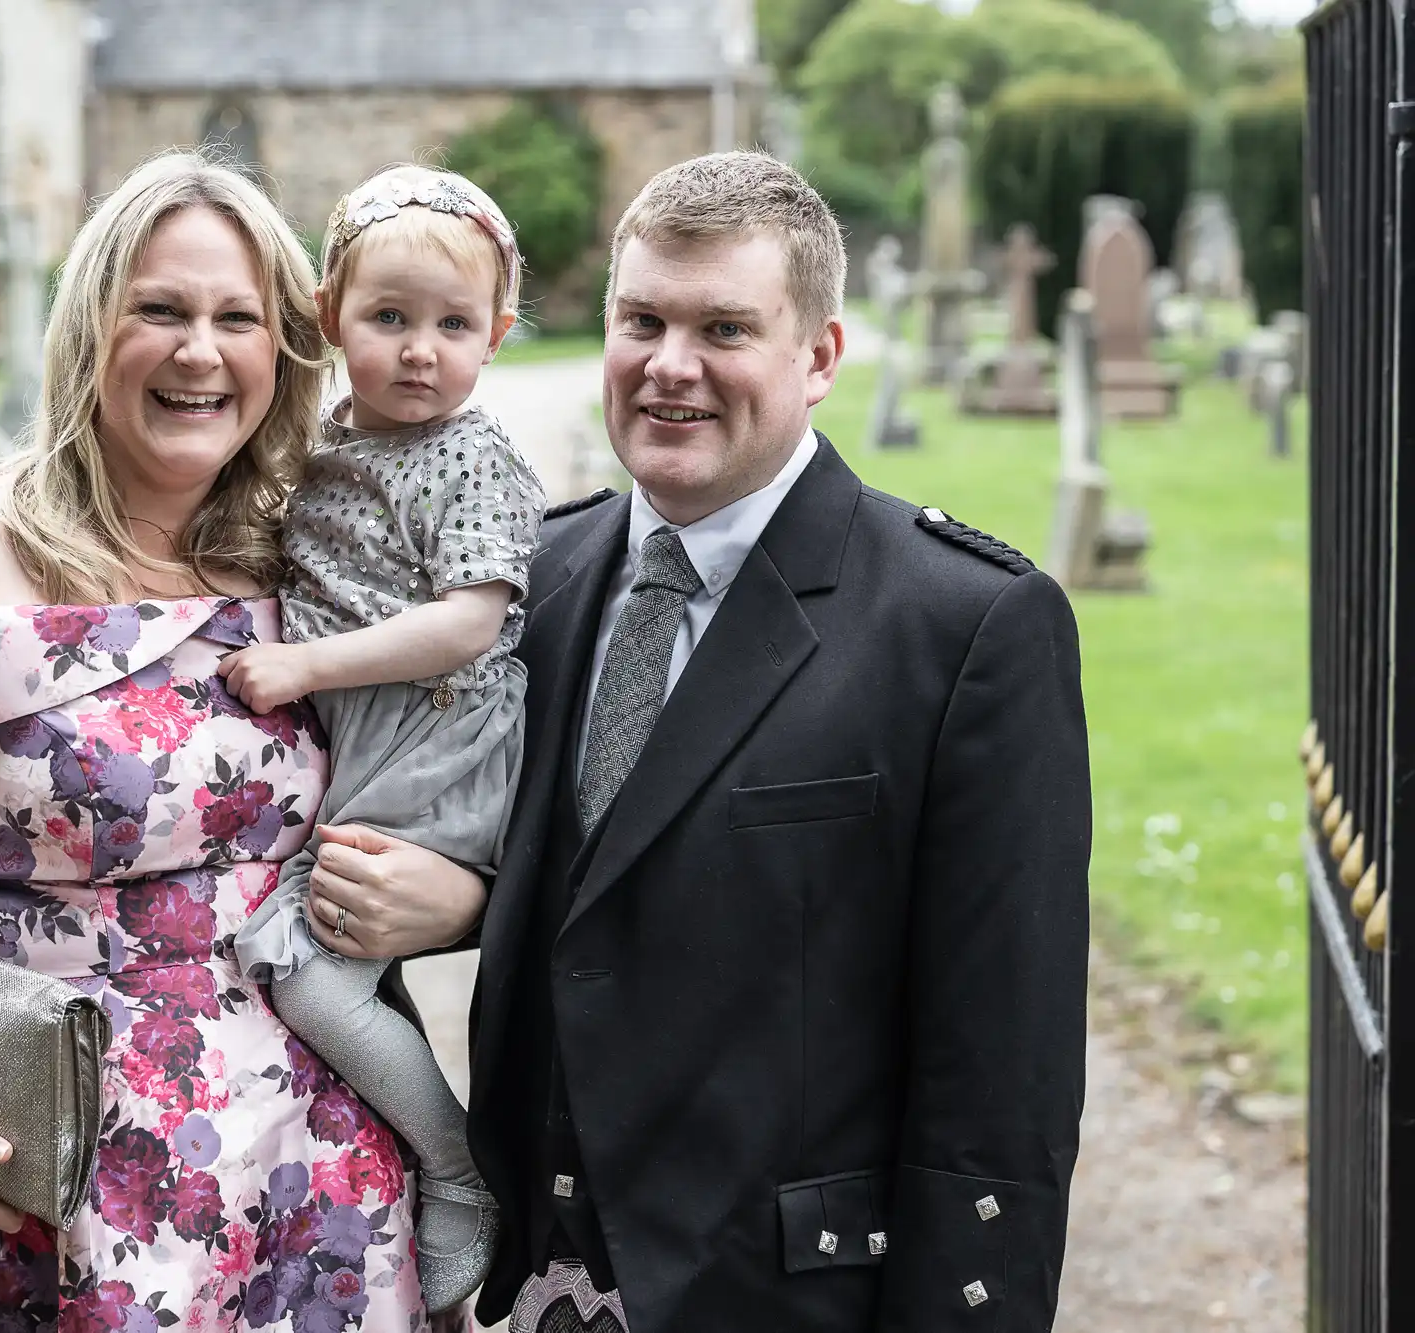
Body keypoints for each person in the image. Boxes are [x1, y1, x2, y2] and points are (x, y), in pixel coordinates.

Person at [307, 150, 1092, 1332]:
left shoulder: (960, 625)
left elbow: (1002, 1080)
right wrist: (473, 899)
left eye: (724, 328)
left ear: (817, 356)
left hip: (780, 1296)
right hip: (532, 1295)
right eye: (642, 322)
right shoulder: (531, 582)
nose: (670, 368)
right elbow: (590, 883)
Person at [0, 152, 480, 1333]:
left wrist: (454, 898)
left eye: (239, 318)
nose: (199, 351)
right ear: (88, 325)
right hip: (32, 1197)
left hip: (312, 1192)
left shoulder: (315, 562)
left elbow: (444, 765)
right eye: (159, 310)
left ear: (285, 348)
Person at [218, 164, 543, 1312]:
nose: (420, 350)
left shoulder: (472, 455)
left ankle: (456, 1169)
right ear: (328, 319)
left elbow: (468, 623)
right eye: (388, 318)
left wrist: (304, 666)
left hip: (436, 731)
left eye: (453, 325)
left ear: (495, 334)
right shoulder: (328, 446)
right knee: (325, 966)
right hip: (370, 731)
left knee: (307, 972)